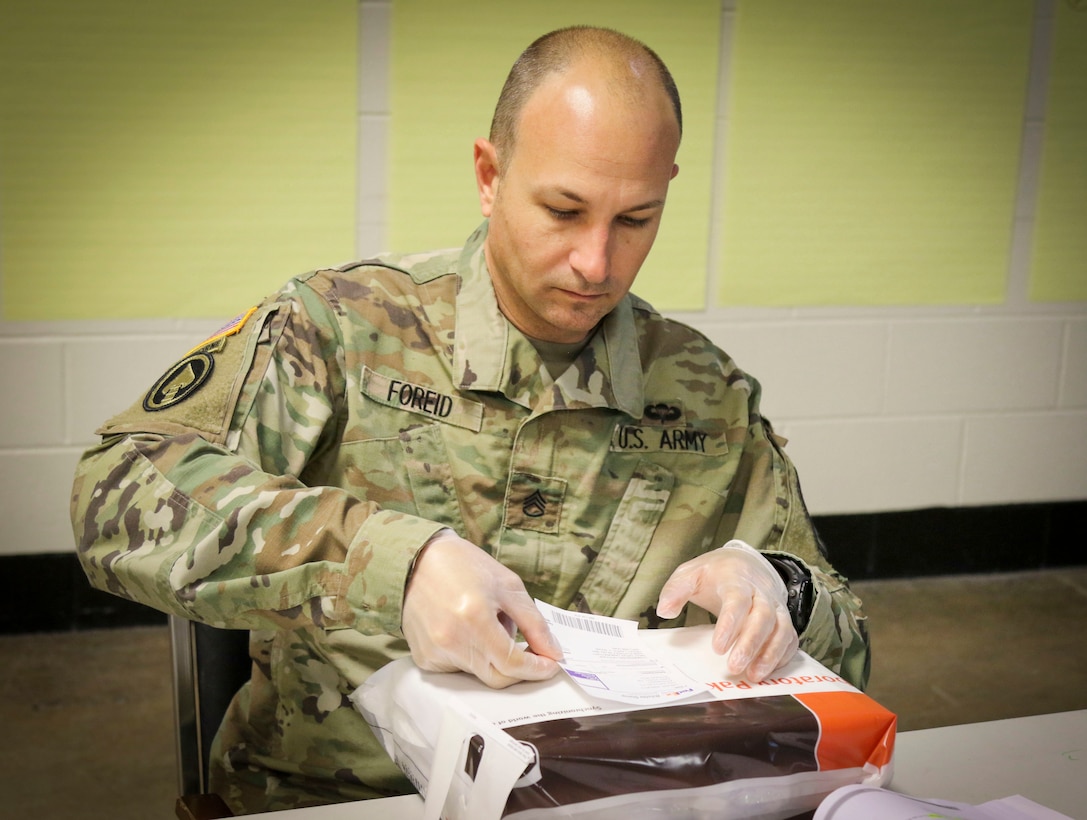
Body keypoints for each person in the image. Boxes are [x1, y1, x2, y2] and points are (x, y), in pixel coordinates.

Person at [71, 25, 869, 815]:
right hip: (343, 796)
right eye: (563, 209)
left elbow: (851, 651)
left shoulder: (705, 391)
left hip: (601, 799)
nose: (596, 263)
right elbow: (114, 492)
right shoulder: (342, 328)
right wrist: (393, 562)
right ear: (489, 175)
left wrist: (783, 594)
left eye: (635, 220)